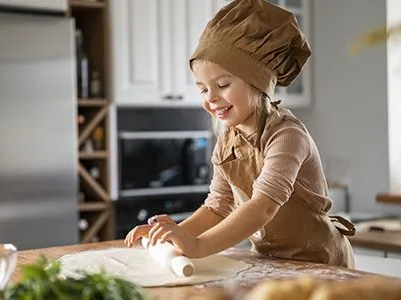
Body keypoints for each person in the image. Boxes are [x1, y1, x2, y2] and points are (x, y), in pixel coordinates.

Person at [124, 0, 356, 268]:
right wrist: (173, 235)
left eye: (222, 85)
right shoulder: (227, 141)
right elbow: (218, 207)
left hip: (320, 264)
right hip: (273, 263)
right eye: (202, 89)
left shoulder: (287, 136)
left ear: (257, 84)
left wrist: (197, 246)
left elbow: (263, 206)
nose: (211, 98)